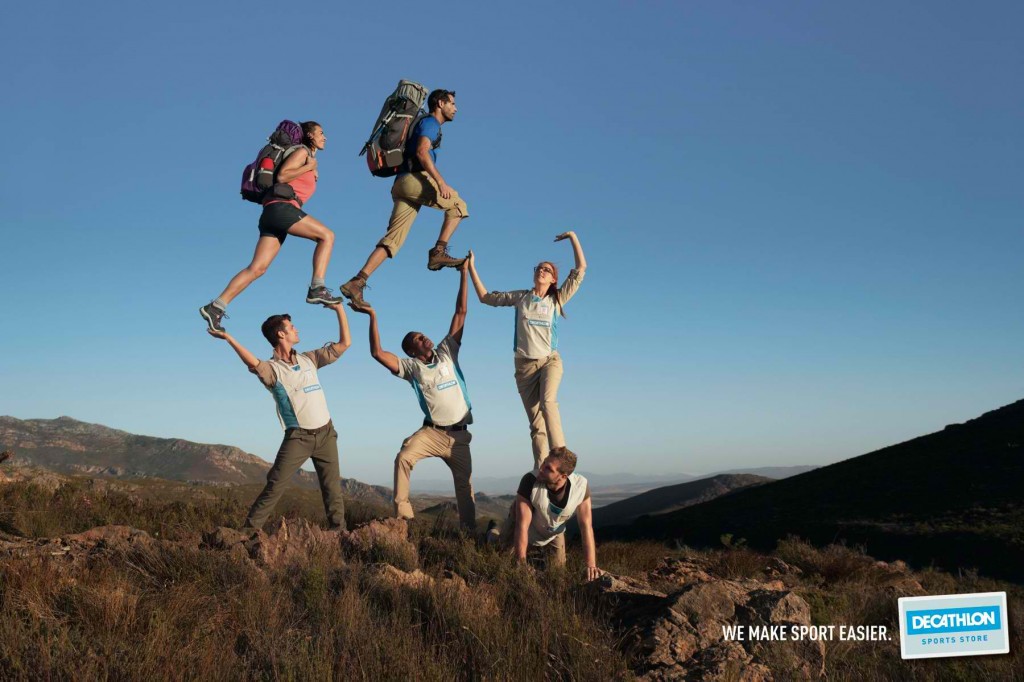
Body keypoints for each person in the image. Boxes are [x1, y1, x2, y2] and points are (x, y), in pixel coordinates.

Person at [349, 262, 476, 533]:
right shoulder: (411, 368)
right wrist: (372, 315)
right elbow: (377, 353)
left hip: (460, 436)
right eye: (419, 338)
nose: (425, 337)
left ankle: (469, 534)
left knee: (465, 487)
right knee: (404, 457)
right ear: (412, 349)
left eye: (423, 334)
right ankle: (404, 522)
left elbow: (461, 312)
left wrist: (464, 273)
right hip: (431, 434)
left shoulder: (447, 352)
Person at [208, 302, 351, 530]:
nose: (297, 330)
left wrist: (339, 310)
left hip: (326, 434)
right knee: (275, 484)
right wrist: (229, 338)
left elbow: (345, 344)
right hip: (298, 438)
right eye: (292, 327)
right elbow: (253, 362)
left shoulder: (310, 359)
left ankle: (339, 532)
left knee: (332, 488)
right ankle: (248, 532)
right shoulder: (272, 370)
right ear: (281, 334)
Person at [200, 121, 341, 332]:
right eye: (321, 133)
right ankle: (317, 288)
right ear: (310, 136)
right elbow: (283, 175)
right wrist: (308, 166)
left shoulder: (307, 157)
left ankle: (216, 306)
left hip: (271, 213)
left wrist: (312, 169)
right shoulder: (302, 152)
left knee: (257, 268)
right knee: (327, 236)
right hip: (282, 209)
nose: (325, 137)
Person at [467, 231, 587, 470]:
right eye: (538, 268)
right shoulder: (521, 297)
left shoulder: (557, 300)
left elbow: (580, 269)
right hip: (524, 367)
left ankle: (560, 453)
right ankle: (542, 469)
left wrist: (573, 237)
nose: (541, 271)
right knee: (536, 424)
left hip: (549, 361)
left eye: (547, 270)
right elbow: (485, 297)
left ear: (553, 279)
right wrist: (471, 267)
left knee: (548, 402)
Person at [340, 90, 469, 311]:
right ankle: (438, 252)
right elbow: (422, 152)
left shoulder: (425, 123)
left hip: (401, 184)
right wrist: (440, 182)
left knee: (393, 240)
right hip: (414, 179)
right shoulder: (431, 123)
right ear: (440, 103)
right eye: (452, 104)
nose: (456, 108)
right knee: (458, 205)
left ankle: (357, 281)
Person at [493, 446, 601, 580]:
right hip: (527, 528)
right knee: (499, 560)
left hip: (554, 532)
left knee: (558, 575)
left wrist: (590, 564)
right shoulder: (530, 480)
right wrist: (521, 562)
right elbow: (522, 525)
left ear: (563, 476)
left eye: (548, 468)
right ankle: (493, 532)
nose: (542, 468)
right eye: (544, 463)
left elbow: (586, 527)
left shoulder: (581, 487)